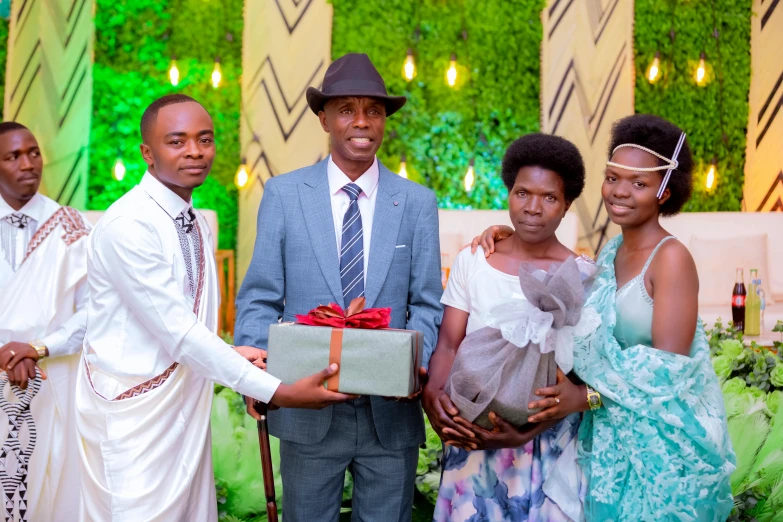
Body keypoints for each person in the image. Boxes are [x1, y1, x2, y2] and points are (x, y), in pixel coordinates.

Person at [75, 94, 354, 522]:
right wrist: (278, 391)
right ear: (147, 153)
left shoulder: (195, 219)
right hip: (133, 415)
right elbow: (179, 333)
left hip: (185, 405)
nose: (194, 151)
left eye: (204, 139)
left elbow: (189, 321)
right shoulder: (128, 226)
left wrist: (234, 353)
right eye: (177, 141)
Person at [474, 115, 735, 521]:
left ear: (665, 192)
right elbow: (578, 324)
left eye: (639, 183)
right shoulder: (610, 253)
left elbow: (668, 369)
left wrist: (586, 398)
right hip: (612, 442)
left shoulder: (671, 258)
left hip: (664, 451)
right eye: (613, 178)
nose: (620, 192)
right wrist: (506, 232)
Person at [235, 53, 443, 522]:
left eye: (374, 110)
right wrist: (254, 371)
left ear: (386, 119)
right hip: (307, 410)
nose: (361, 121)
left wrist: (414, 367)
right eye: (346, 109)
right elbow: (260, 295)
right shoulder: (284, 195)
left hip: (390, 416)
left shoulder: (416, 202)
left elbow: (427, 304)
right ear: (324, 117)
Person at [423, 134, 591, 522]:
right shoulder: (476, 260)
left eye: (549, 198)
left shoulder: (579, 277)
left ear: (567, 205)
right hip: (473, 434)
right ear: (509, 193)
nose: (533, 208)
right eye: (522, 193)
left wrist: (529, 432)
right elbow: (449, 343)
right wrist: (435, 397)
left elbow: (583, 376)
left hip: (546, 446)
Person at [0, 122, 88, 521]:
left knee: (53, 484)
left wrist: (38, 349)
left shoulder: (69, 225)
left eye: (33, 153)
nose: (28, 163)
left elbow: (96, 309)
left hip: (55, 375)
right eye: (13, 156)